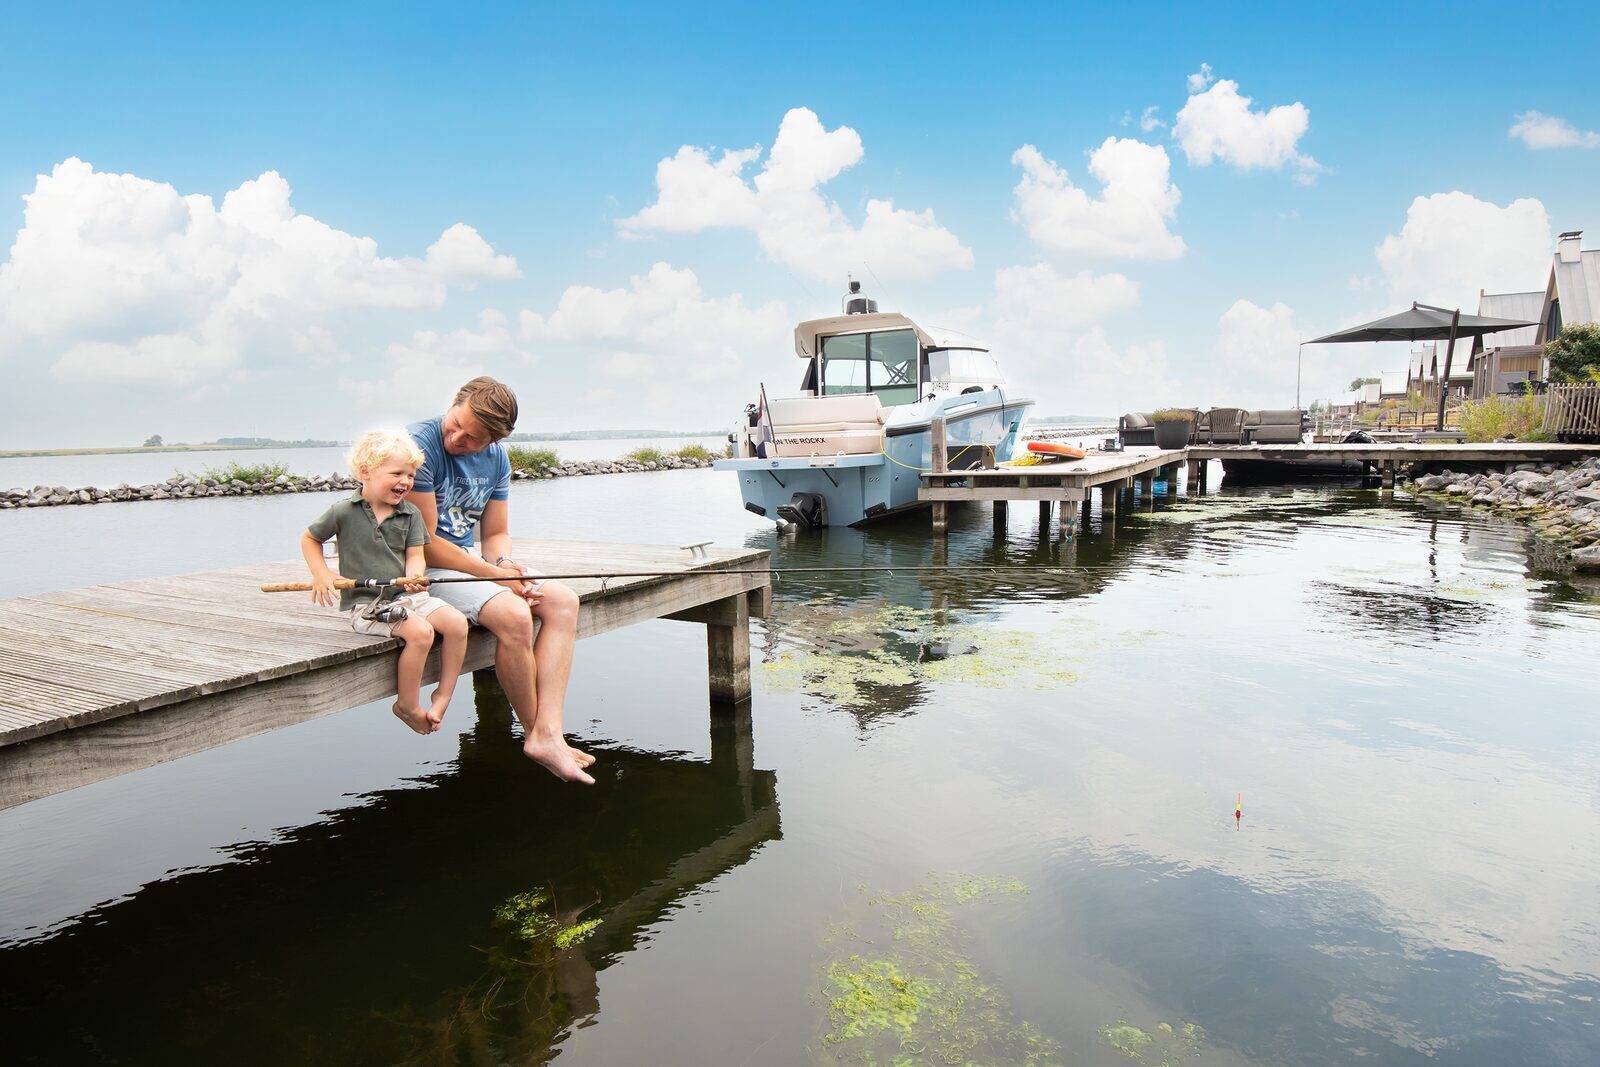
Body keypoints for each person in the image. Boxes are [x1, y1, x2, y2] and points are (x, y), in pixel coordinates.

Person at [407, 377, 595, 784]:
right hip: (420, 569)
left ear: (495, 439)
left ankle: (551, 730)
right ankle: (536, 736)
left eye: (473, 438)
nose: (457, 438)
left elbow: (493, 535)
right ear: (454, 402)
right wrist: (497, 578)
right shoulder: (418, 447)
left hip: (469, 562)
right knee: (514, 615)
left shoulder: (497, 460)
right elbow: (426, 544)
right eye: (456, 424)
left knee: (562, 601)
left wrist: (506, 564)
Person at [301, 430, 471, 736]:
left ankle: (443, 695)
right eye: (397, 473)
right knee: (420, 632)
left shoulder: (411, 514)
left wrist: (416, 576)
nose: (405, 482)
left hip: (407, 596)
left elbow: (416, 556)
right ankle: (406, 704)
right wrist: (321, 574)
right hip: (369, 604)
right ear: (366, 472)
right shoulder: (343, 511)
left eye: (410, 475)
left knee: (458, 623)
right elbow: (310, 538)